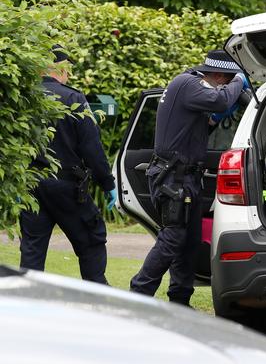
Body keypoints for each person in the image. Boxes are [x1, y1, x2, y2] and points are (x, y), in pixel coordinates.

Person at [130, 49, 249, 306]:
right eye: (227, 82)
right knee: (173, 237)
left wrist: (216, 119)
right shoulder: (187, 83)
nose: (228, 87)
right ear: (218, 75)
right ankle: (138, 296)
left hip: (187, 178)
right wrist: (239, 81)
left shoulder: (193, 89)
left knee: (189, 243)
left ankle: (180, 302)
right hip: (173, 178)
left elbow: (201, 124)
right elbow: (219, 101)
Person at [19, 45, 117, 284]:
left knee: (32, 249)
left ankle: (26, 302)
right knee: (92, 239)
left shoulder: (24, 97)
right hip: (67, 186)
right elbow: (91, 148)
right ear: (60, 68)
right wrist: (107, 183)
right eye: (68, 70)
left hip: (31, 185)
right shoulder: (73, 98)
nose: (69, 76)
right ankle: (97, 294)